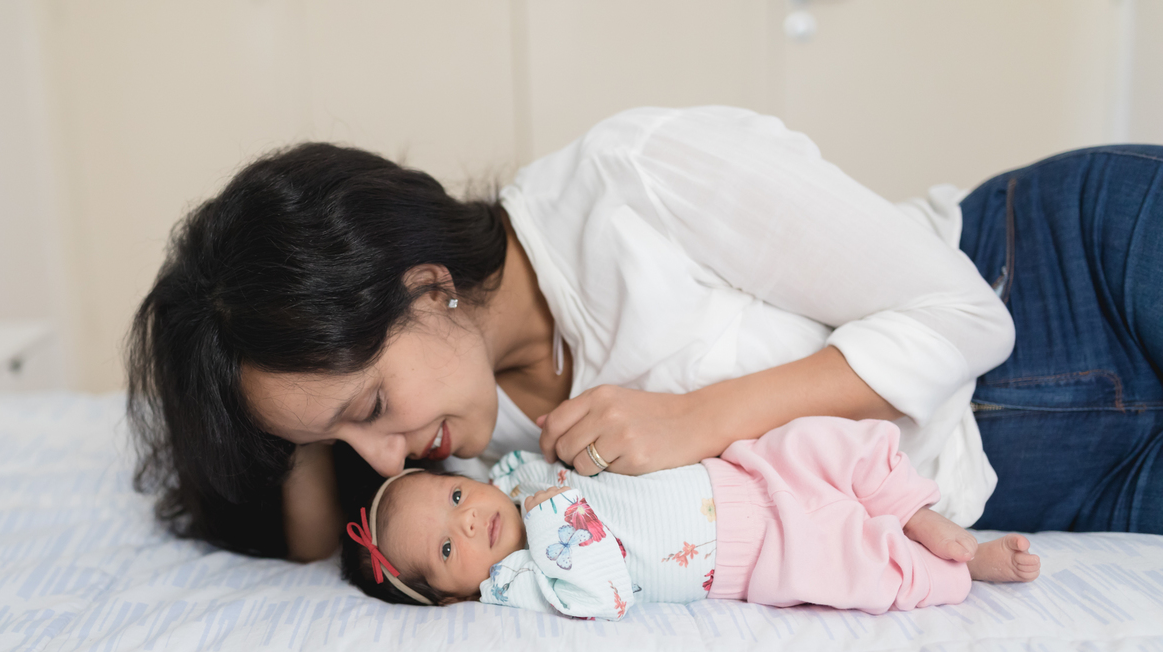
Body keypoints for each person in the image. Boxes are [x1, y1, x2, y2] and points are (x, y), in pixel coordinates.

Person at [126, 106, 1163, 563]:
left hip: (1072, 272)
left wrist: (699, 419)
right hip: (1054, 490)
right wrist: (302, 433)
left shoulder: (633, 179)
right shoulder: (475, 466)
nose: (387, 454)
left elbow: (966, 317)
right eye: (344, 441)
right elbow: (314, 538)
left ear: (428, 285)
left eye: (368, 408)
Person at [340, 416, 1040, 617]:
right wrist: (550, 510)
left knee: (824, 441)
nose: (466, 521)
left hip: (738, 471)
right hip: (750, 557)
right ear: (455, 593)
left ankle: (913, 508)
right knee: (855, 567)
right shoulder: (522, 581)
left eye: (454, 497)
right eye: (444, 546)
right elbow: (605, 593)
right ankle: (959, 565)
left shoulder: (516, 472)